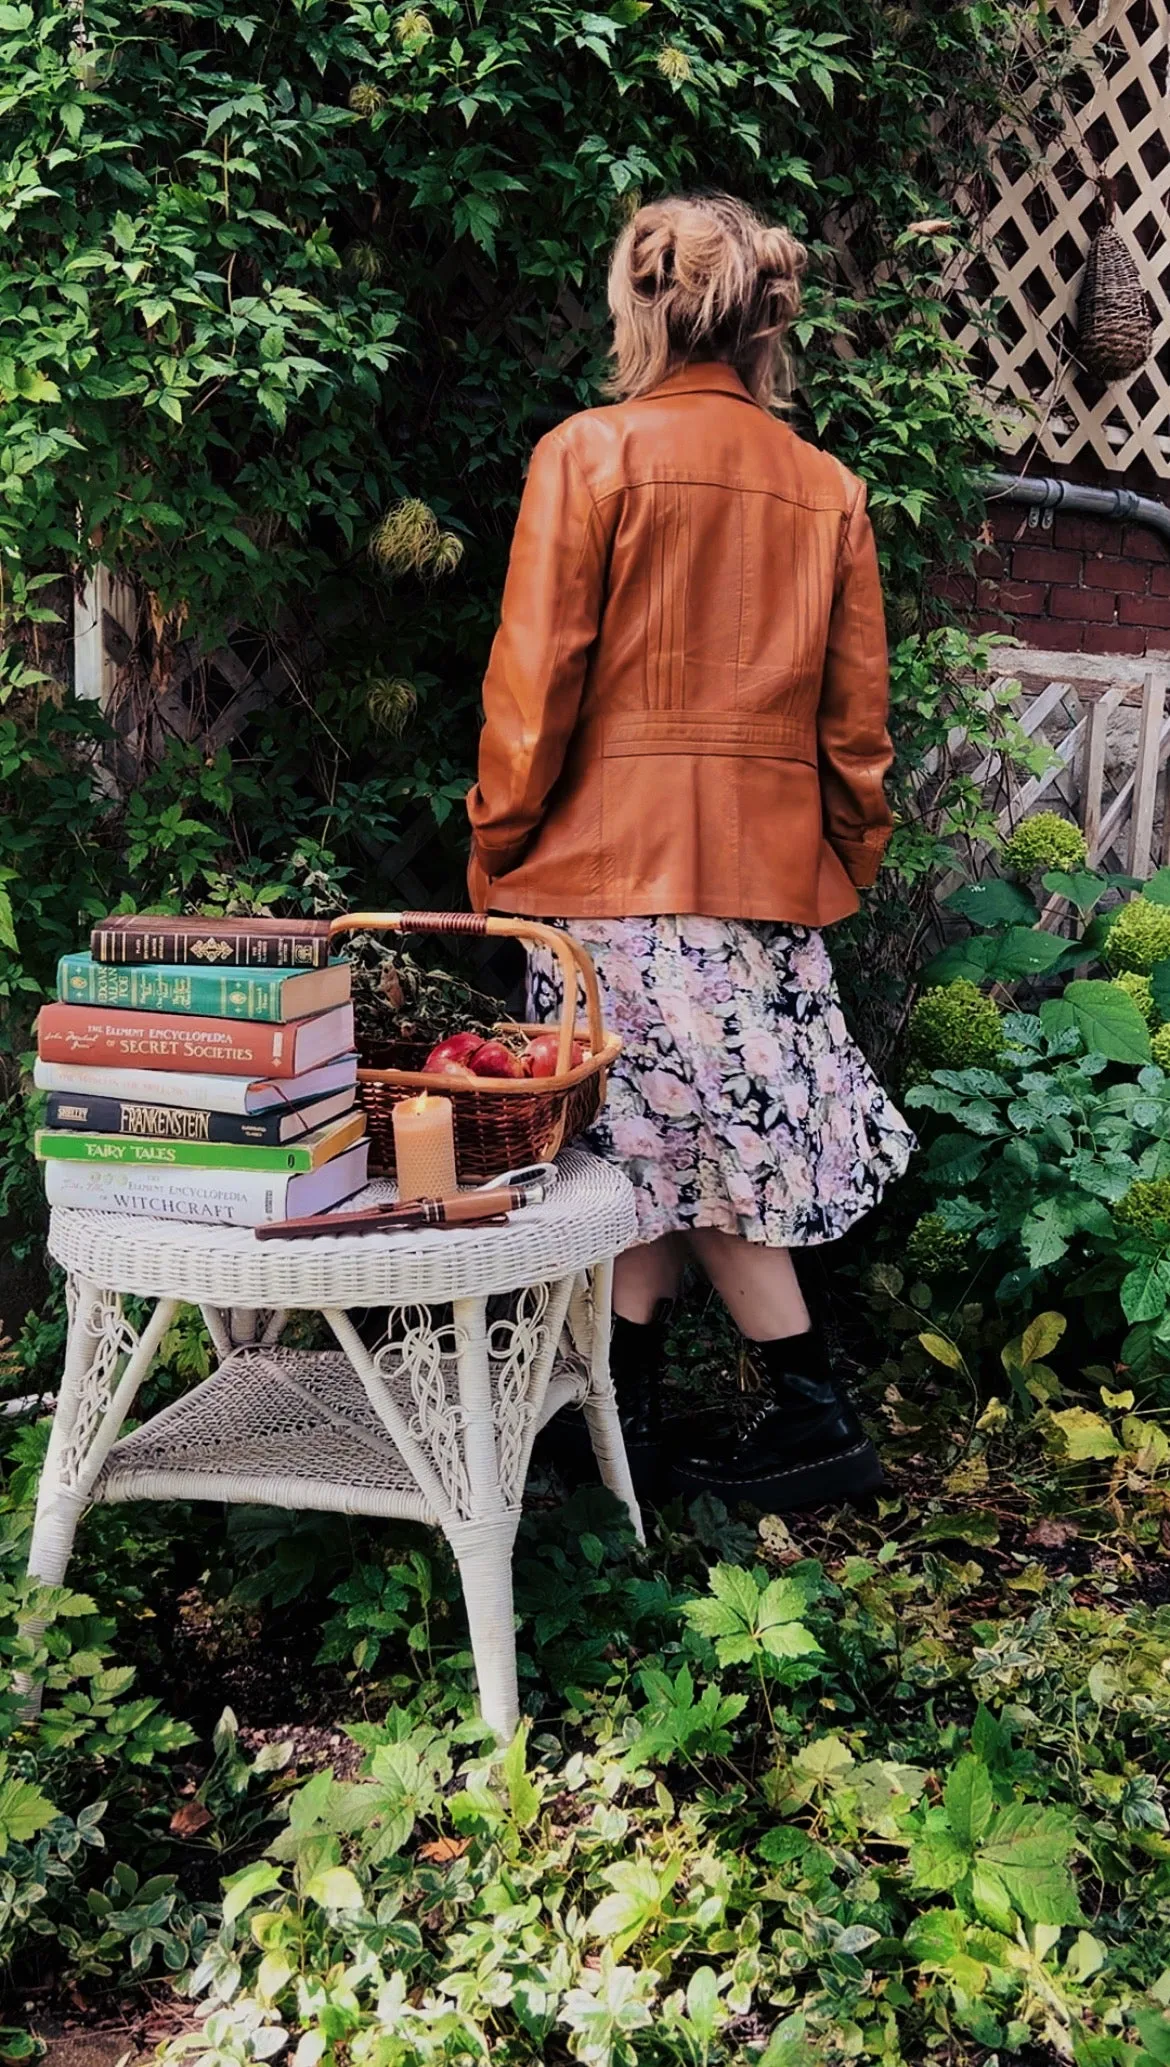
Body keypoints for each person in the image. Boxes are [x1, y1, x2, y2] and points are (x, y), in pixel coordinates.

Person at [465, 192, 914, 1510]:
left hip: (605, 883)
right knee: (661, 1165)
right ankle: (623, 1433)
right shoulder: (827, 490)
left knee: (656, 1158)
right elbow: (856, 731)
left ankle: (800, 1420)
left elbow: (530, 693)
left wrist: (498, 851)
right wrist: (835, 862)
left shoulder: (588, 455)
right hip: (759, 890)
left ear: (642, 305)